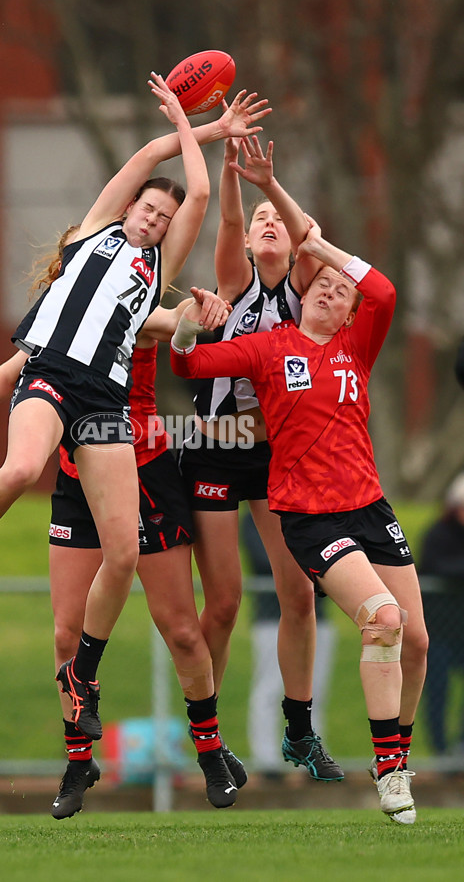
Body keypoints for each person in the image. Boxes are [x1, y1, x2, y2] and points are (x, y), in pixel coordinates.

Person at [0, 77, 268, 727]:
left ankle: (83, 675)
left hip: (104, 403)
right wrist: (188, 121)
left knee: (122, 552)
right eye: (146, 209)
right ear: (124, 211)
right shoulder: (91, 233)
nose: (152, 217)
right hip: (52, 379)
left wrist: (211, 134)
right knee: (19, 469)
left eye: (162, 218)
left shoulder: (154, 277)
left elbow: (199, 192)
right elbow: (150, 158)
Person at [170, 221, 429, 823]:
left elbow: (383, 293)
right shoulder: (270, 346)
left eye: (343, 291)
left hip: (369, 507)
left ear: (348, 316)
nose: (332, 291)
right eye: (323, 285)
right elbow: (187, 366)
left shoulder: (353, 347)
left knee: (413, 640)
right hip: (310, 517)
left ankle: (396, 757)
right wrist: (186, 323)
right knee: (383, 620)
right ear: (304, 292)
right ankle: (389, 771)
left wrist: (320, 248)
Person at [177, 134, 343, 781]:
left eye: (279, 221)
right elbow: (228, 217)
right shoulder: (235, 281)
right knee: (222, 605)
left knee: (299, 594)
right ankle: (209, 738)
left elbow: (306, 236)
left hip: (279, 459)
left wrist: (275, 188)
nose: (268, 224)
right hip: (217, 456)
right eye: (261, 223)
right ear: (249, 242)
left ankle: (299, 730)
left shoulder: (307, 292)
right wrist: (229, 169)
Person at [49, 286, 248, 816]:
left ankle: (209, 751)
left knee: (183, 629)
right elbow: (15, 372)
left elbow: (174, 323)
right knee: (67, 634)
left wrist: (194, 315)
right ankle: (77, 760)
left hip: (147, 467)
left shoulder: (134, 303)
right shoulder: (54, 321)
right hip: (78, 474)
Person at [241, 511, 337, 776]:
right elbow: (265, 560)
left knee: (315, 689)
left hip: (317, 617)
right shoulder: (253, 516)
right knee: (270, 688)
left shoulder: (312, 507)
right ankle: (267, 760)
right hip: (273, 618)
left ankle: (313, 756)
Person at [419, 473, 464, 755]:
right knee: (436, 693)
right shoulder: (438, 534)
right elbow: (435, 567)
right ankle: (440, 754)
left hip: (461, 631)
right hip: (436, 632)